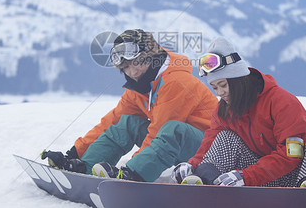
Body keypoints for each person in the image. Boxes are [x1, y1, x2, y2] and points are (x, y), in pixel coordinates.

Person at [41, 29, 219, 182]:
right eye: (125, 67)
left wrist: (131, 171)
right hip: (177, 145)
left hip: (210, 149)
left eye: (138, 62)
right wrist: (74, 154)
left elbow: (161, 130)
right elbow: (111, 121)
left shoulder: (176, 81)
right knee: (127, 122)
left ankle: (134, 176)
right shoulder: (141, 85)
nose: (132, 72)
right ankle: (86, 168)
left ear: (151, 57)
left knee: (172, 128)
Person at [172, 37, 306, 188]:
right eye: (215, 87)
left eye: (223, 85)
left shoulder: (281, 101)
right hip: (261, 177)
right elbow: (210, 142)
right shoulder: (224, 111)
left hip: (299, 174)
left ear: (238, 80)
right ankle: (205, 183)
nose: (220, 93)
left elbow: (292, 154)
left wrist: (248, 176)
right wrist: (192, 165)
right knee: (225, 138)